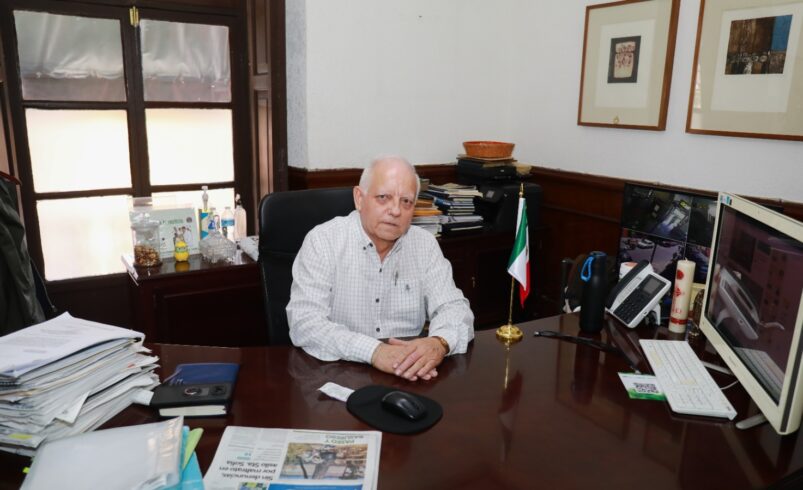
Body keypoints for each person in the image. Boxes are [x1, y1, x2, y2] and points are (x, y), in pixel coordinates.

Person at [287, 155, 474, 381]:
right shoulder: (323, 241)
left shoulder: (424, 244)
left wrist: (439, 342)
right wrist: (374, 351)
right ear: (359, 198)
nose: (395, 211)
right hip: (339, 373)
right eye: (383, 198)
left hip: (409, 374)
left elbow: (454, 307)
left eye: (406, 201)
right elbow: (305, 322)